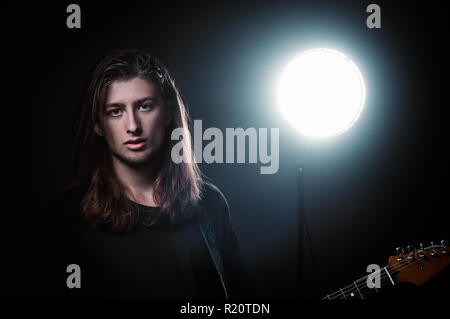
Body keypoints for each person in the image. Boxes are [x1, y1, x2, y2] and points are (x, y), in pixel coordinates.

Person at [36, 49, 252, 299]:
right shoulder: (68, 215)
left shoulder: (208, 204)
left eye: (145, 106)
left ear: (169, 113)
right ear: (98, 125)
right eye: (115, 111)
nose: (133, 126)